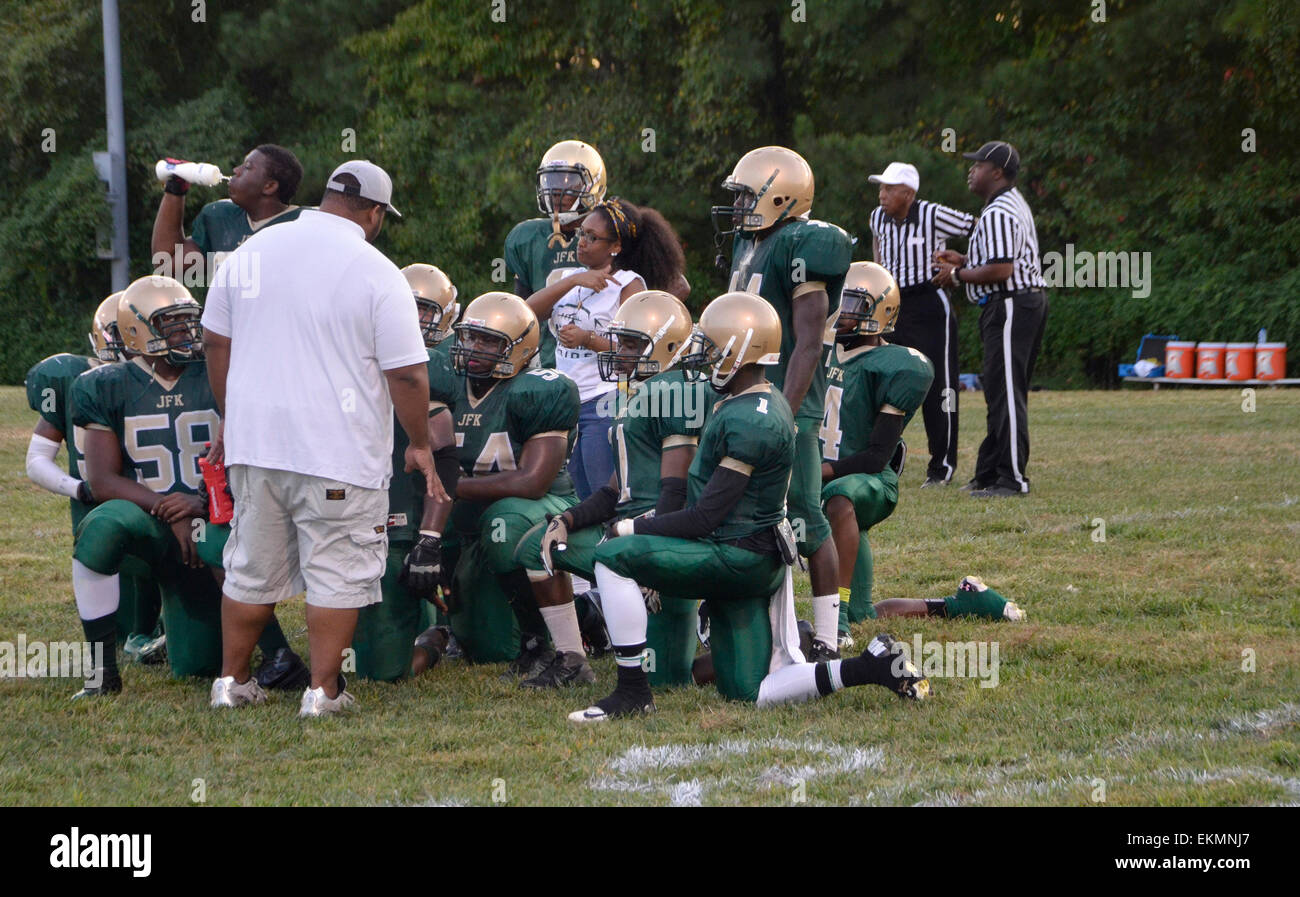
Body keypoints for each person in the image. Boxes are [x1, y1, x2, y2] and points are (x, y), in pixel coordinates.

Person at [567, 291, 928, 722]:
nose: (704, 358)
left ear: (741, 351)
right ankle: (869, 666)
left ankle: (631, 692)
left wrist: (631, 531)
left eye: (713, 349)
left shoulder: (750, 417)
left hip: (735, 556)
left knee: (612, 556)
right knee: (750, 691)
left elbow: (706, 517)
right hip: (753, 553)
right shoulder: (756, 400)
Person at [201, 160, 442, 717]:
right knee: (337, 568)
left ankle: (231, 683)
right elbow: (407, 373)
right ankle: (323, 691)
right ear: (376, 213)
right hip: (337, 450)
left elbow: (215, 342)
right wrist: (419, 442)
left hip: (256, 443)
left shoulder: (251, 252)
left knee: (250, 565)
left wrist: (232, 413)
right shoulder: (377, 270)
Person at [816, 262, 1027, 629]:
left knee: (840, 499)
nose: (842, 312)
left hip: (867, 482)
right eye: (841, 302)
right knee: (865, 612)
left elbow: (876, 456)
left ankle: (834, 621)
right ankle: (960, 604)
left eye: (854, 304)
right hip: (833, 485)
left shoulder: (896, 365)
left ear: (879, 311)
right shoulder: (821, 351)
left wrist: (818, 472)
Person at [515, 290, 707, 687]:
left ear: (670, 346)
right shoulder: (636, 391)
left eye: (634, 344)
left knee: (667, 677)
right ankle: (572, 657)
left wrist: (653, 550)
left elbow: (676, 490)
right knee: (537, 546)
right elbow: (615, 488)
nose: (620, 352)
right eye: (621, 341)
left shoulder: (676, 391)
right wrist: (568, 518)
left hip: (664, 530)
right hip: (628, 526)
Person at [712, 145, 853, 657]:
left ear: (781, 194)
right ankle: (755, 626)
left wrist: (782, 415)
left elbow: (810, 340)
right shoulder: (752, 244)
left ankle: (829, 635)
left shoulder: (804, 242)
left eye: (748, 195)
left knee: (805, 517)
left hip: (787, 399)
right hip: (745, 397)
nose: (739, 206)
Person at [67, 276, 229, 696]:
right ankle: (102, 670)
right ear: (138, 330)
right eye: (173, 323)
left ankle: (270, 649)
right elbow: (101, 480)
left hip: (215, 521)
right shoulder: (104, 384)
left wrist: (196, 506)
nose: (187, 333)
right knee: (102, 526)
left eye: (190, 322)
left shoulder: (217, 371)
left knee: (198, 666)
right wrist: (166, 507)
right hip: (150, 527)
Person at [407, 293, 581, 677]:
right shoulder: (446, 379)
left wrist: (447, 485)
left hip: (539, 506)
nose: (474, 349)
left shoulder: (538, 390)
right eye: (470, 337)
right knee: (418, 527)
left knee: (501, 525)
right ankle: (437, 625)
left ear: (521, 348)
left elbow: (533, 481)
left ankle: (546, 637)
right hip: (475, 510)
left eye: (490, 341)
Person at [25, 293, 165, 663]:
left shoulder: (170, 377)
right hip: (108, 510)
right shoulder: (74, 378)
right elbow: (37, 459)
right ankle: (134, 637)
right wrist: (81, 488)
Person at [524, 198, 688, 500]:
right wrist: (575, 279)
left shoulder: (629, 284)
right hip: (568, 402)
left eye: (592, 237)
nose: (582, 243)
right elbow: (525, 313)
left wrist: (589, 339)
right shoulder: (570, 278)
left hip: (605, 401)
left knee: (602, 496)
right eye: (581, 233)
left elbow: (641, 354)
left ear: (615, 247)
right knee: (580, 494)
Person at [350, 264, 460, 681]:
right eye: (405, 308)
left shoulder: (435, 363)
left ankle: (435, 637)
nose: (413, 320)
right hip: (348, 509)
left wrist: (428, 539)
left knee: (378, 672)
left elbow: (444, 459)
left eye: (424, 310)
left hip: (402, 517)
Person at [932, 141, 1048, 497]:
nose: (971, 170)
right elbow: (999, 258)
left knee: (1007, 393)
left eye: (978, 164)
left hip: (1011, 304)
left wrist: (956, 276)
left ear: (996, 172)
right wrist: (966, 261)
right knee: (999, 390)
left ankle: (1012, 478)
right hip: (1014, 303)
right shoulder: (1006, 205)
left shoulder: (998, 212)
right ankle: (990, 473)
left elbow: (1002, 268)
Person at [867, 162, 974, 486]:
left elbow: (980, 229)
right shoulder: (877, 216)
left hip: (930, 302)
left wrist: (965, 263)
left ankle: (941, 465)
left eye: (889, 189)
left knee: (939, 386)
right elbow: (877, 249)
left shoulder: (932, 214)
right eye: (881, 187)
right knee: (886, 382)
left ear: (908, 194)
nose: (882, 194)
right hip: (893, 303)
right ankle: (883, 455)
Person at [504, 140, 607, 370]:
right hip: (547, 363)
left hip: (603, 366)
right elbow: (522, 314)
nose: (558, 191)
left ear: (593, 186)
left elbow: (675, 285)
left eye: (569, 182)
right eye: (551, 181)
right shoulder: (527, 238)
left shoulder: (617, 232)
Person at [151, 144, 304, 287]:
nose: (236, 170)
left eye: (248, 167)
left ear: (269, 186)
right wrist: (175, 190)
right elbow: (166, 265)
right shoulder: (221, 219)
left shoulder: (301, 224)